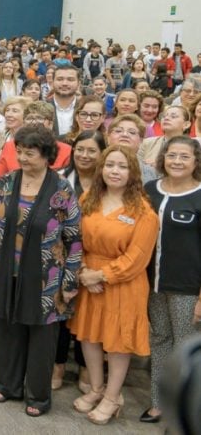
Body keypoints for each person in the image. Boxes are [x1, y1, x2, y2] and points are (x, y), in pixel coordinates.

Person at [0, 124, 82, 417]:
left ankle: (38, 396)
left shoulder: (61, 189)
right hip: (5, 272)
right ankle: (8, 384)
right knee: (7, 328)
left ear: (47, 155)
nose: (23, 158)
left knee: (41, 338)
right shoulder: (6, 182)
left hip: (47, 278)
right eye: (20, 151)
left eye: (31, 153)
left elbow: (74, 239)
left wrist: (71, 279)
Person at [68, 145, 158, 425]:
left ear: (133, 172)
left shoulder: (144, 212)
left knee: (118, 343)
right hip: (88, 277)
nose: (114, 171)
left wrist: (101, 275)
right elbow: (73, 238)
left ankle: (113, 397)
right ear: (101, 169)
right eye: (109, 165)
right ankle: (96, 389)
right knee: (89, 336)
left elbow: (136, 259)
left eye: (122, 166)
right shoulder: (88, 199)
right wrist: (83, 271)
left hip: (123, 285)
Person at [141, 136, 201, 424]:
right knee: (160, 341)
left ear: (195, 162)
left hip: (187, 288)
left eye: (184, 157)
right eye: (172, 155)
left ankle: (185, 409)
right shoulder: (150, 189)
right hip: (152, 284)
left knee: (186, 348)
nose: (177, 161)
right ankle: (158, 402)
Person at [53, 130, 107, 391]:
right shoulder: (60, 180)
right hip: (63, 258)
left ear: (102, 153)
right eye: (80, 150)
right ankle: (58, 364)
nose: (85, 155)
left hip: (97, 260)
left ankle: (87, 366)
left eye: (92, 151)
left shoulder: (110, 183)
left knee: (91, 316)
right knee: (62, 311)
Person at [0, 101, 72, 176]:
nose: (34, 122)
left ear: (50, 124)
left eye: (39, 118)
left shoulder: (66, 150)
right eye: (29, 118)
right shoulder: (10, 146)